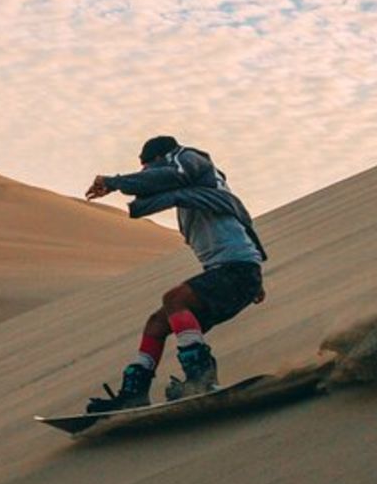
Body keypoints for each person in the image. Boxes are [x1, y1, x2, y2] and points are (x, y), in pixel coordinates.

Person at [84, 135, 267, 412]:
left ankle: (201, 378)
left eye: (148, 168)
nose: (147, 175)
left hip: (238, 270)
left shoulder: (189, 158)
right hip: (229, 273)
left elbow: (171, 177)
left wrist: (114, 182)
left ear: (160, 159)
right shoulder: (196, 195)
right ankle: (134, 392)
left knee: (175, 300)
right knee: (156, 323)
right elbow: (240, 219)